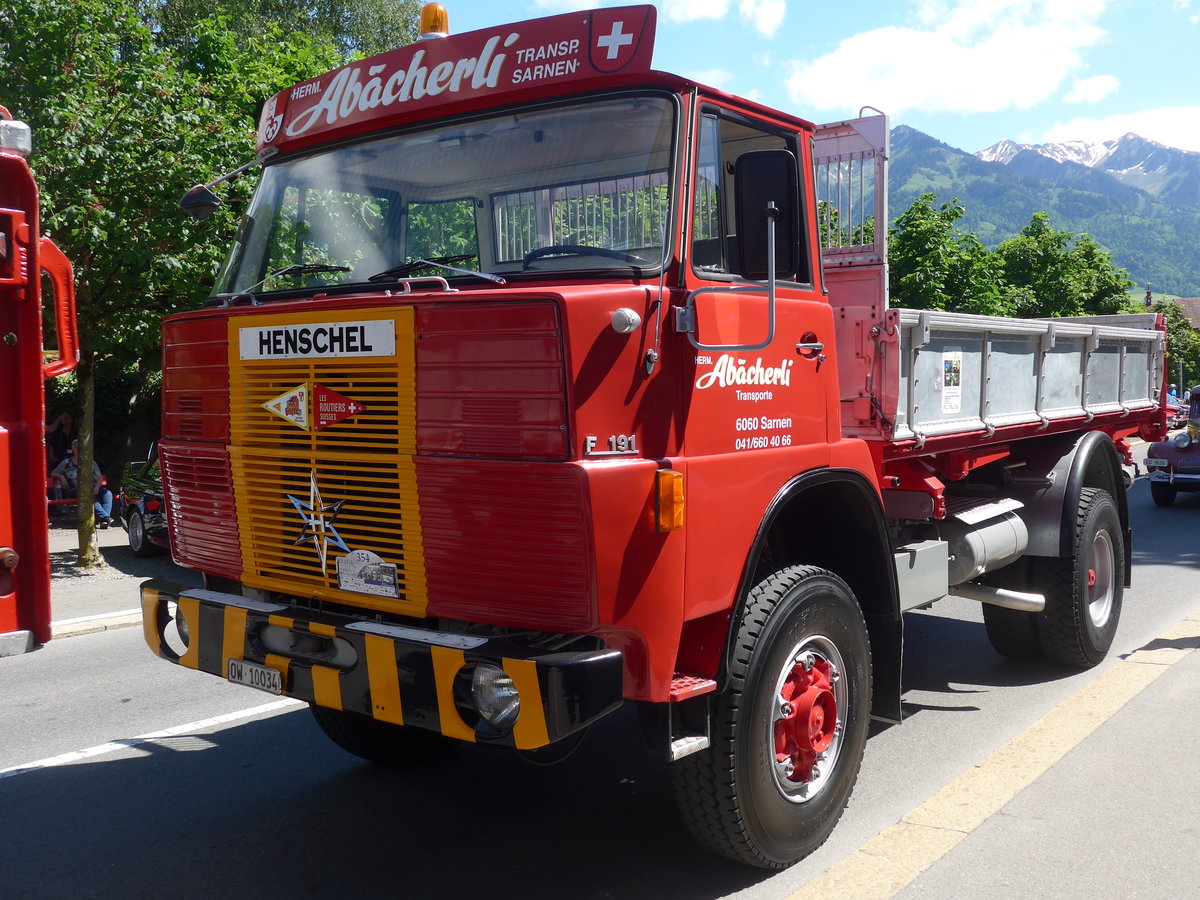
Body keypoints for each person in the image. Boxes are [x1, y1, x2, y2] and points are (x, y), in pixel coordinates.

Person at [51, 439, 114, 528]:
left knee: (108, 494)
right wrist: (61, 477)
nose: (79, 450)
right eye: (77, 448)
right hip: (76, 490)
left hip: (92, 487)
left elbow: (99, 477)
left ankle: (103, 520)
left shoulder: (90, 462)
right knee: (88, 495)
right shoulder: (66, 462)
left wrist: (96, 488)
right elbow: (53, 473)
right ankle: (105, 518)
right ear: (73, 449)